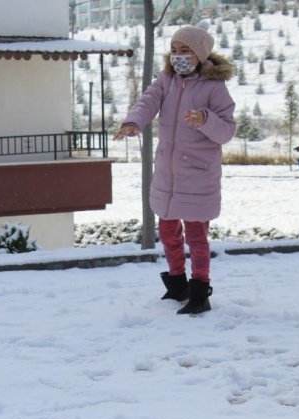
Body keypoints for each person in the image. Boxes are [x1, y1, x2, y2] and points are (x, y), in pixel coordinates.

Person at [114, 23, 235, 315]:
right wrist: (133, 122)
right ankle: (176, 284)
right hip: (168, 173)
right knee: (167, 231)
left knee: (196, 235)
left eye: (185, 51)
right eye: (174, 51)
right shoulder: (166, 80)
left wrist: (204, 119)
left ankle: (199, 291)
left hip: (198, 173)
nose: (177, 56)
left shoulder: (214, 87)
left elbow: (226, 132)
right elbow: (148, 101)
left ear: (200, 55)